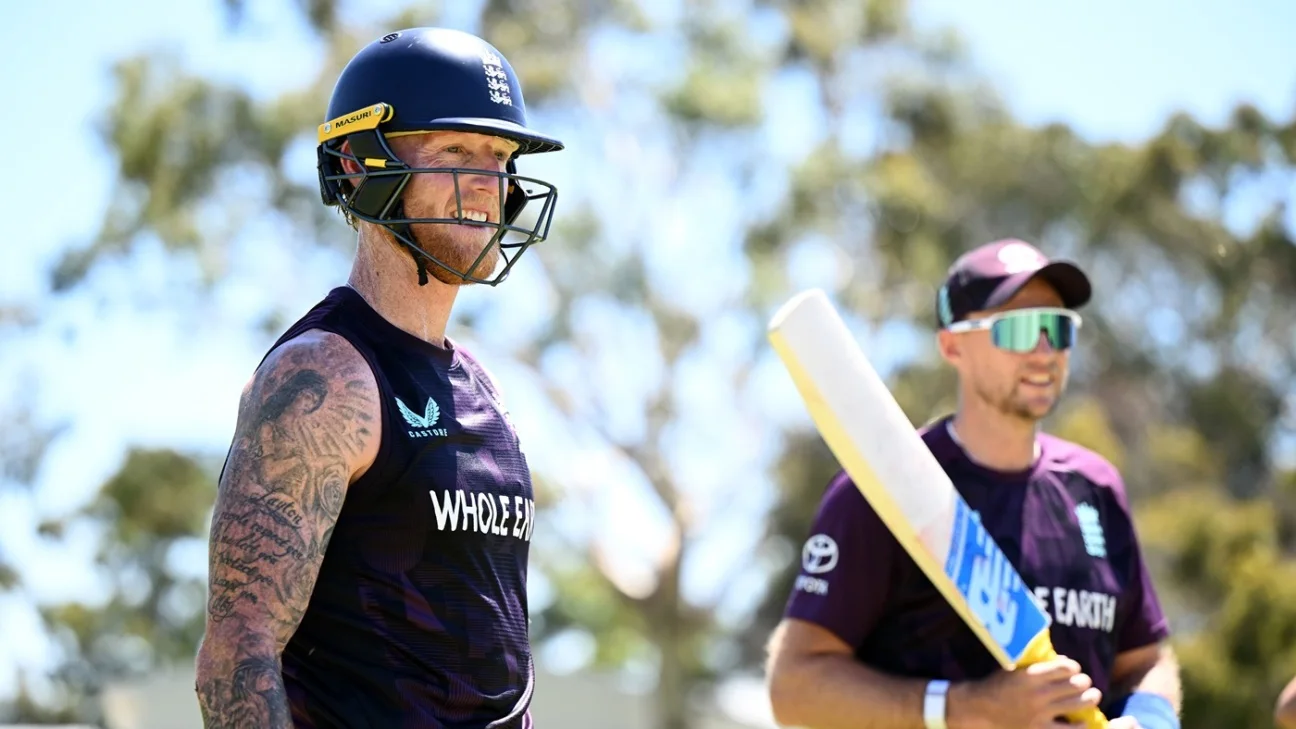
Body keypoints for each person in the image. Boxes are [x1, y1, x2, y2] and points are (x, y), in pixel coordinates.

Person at [194, 27, 563, 728]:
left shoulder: (484, 388)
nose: (489, 184)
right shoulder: (324, 376)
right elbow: (237, 657)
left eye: (500, 156)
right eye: (455, 152)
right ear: (359, 166)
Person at [764, 239, 1183, 729]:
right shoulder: (883, 487)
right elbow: (794, 685)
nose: (1044, 351)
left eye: (1057, 328)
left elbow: (1146, 661)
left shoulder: (1096, 487)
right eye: (1018, 329)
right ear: (952, 346)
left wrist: (1147, 722)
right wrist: (964, 708)